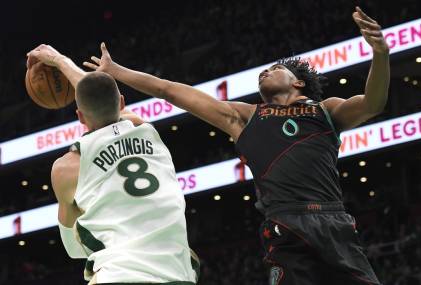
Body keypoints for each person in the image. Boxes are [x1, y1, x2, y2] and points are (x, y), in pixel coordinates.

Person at [84, 6, 389, 284]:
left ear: (298, 82)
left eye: (275, 69)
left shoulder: (326, 110)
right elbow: (170, 91)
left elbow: (372, 103)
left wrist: (380, 53)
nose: (265, 72)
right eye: (263, 71)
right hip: (285, 227)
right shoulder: (243, 117)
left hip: (332, 221)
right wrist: (116, 71)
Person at [26, 46, 199, 285]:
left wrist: (58, 61)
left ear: (80, 117)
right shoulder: (145, 130)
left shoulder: (66, 168)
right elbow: (100, 95)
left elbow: (73, 248)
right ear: (122, 103)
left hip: (118, 274)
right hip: (177, 275)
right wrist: (61, 61)